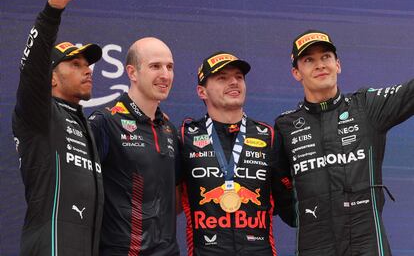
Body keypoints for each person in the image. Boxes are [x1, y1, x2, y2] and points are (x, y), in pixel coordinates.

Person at [274, 30, 414, 256]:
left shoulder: (366, 107)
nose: (320, 65)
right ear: (296, 73)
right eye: (309, 60)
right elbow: (277, 188)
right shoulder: (285, 125)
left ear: (337, 64)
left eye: (326, 57)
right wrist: (303, 214)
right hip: (315, 246)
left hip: (367, 245)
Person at [12, 0, 104, 256]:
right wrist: (53, 11)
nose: (87, 69)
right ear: (50, 78)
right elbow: (32, 69)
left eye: (87, 64)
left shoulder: (84, 123)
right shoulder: (38, 114)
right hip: (49, 245)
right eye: (75, 64)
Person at [179, 52, 293, 256]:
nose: (233, 82)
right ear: (201, 91)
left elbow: (290, 209)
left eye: (238, 77)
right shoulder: (185, 136)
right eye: (222, 78)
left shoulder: (269, 136)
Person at [88, 37, 180, 255]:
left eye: (169, 67)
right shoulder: (105, 121)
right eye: (155, 66)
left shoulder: (169, 129)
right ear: (132, 73)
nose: (165, 75)